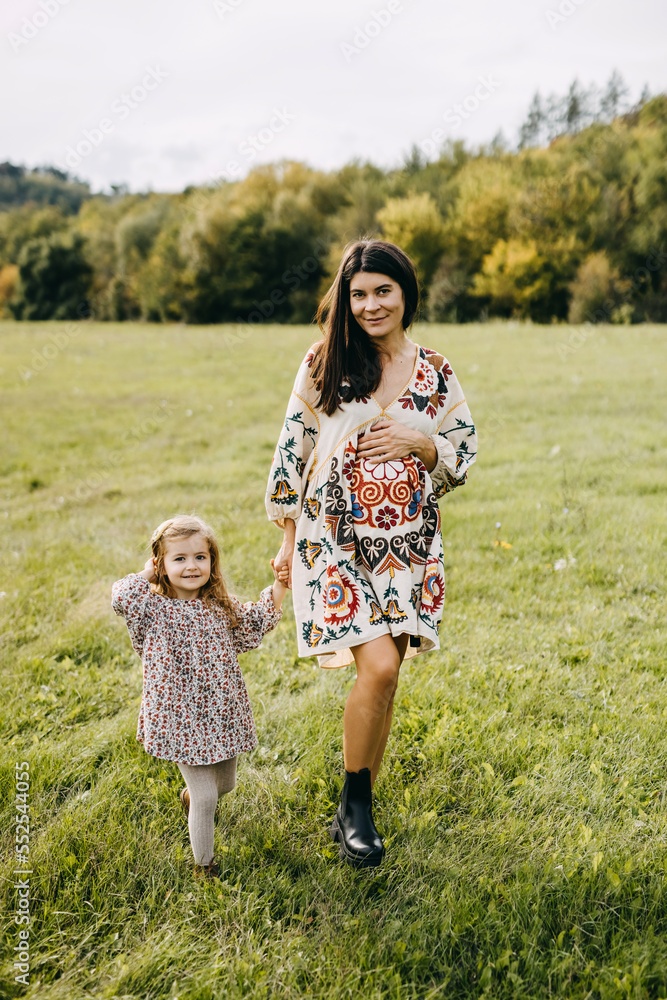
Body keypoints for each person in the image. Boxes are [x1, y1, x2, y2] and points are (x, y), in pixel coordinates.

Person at [267, 239, 477, 868]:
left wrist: (423, 443)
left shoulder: (436, 371)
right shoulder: (324, 360)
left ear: (406, 293)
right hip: (331, 539)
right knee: (380, 667)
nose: (369, 304)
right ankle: (355, 809)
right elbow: (291, 449)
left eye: (382, 290)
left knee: (383, 678)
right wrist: (284, 540)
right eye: (358, 294)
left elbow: (463, 453)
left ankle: (356, 806)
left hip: (407, 545)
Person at [111, 514, 288, 879]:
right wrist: (148, 573)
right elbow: (121, 595)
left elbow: (257, 620)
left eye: (200, 557)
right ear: (162, 564)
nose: (191, 566)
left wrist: (279, 583)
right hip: (178, 716)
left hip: (221, 712)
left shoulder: (219, 607)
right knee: (208, 797)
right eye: (179, 559)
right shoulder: (152, 608)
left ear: (211, 561)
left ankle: (191, 799)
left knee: (225, 786)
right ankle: (204, 866)